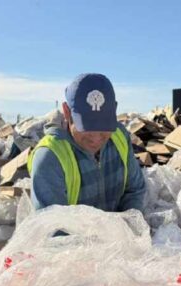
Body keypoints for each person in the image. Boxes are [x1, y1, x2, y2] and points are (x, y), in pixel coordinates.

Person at [28, 73, 146, 212]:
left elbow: (135, 190)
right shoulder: (50, 157)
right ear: (67, 112)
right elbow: (53, 227)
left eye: (103, 126)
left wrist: (130, 226)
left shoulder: (120, 136)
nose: (96, 138)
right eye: (87, 127)